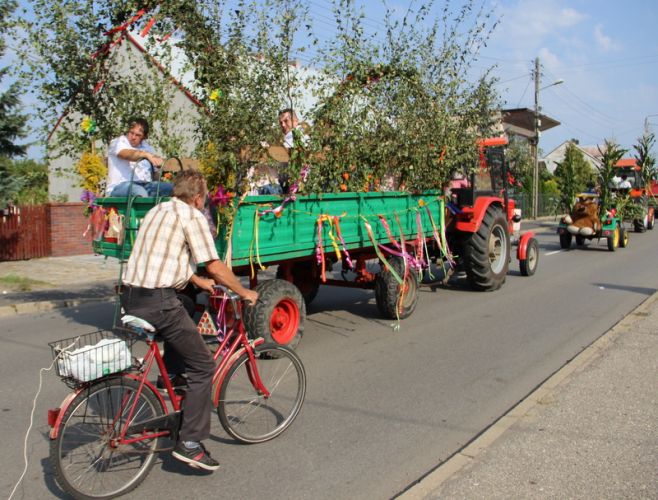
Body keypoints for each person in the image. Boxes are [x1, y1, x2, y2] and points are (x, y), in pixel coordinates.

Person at [120, 169, 258, 471]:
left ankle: (173, 375)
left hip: (130, 296)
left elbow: (165, 257)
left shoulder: (158, 210)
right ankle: (191, 444)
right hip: (158, 303)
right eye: (204, 197)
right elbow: (215, 265)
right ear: (198, 197)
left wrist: (196, 280)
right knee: (204, 365)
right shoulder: (192, 215)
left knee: (184, 303)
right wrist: (243, 291)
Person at [106, 117, 173, 197]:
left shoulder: (148, 148)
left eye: (138, 135)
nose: (133, 137)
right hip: (119, 187)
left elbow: (155, 175)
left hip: (144, 185)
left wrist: (159, 166)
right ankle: (146, 209)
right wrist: (146, 155)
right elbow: (126, 154)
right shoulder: (118, 142)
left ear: (145, 137)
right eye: (131, 133)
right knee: (140, 191)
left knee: (173, 188)